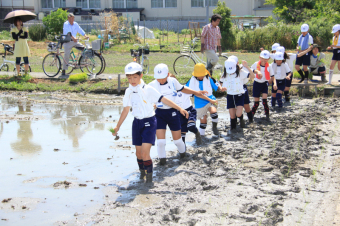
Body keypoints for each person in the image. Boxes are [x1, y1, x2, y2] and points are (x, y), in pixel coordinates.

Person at [111, 62, 188, 183]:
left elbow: (164, 100)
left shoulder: (148, 89)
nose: (132, 80)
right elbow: (126, 110)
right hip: (136, 123)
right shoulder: (128, 92)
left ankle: (149, 179)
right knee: (138, 154)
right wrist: (117, 126)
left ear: (141, 76)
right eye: (129, 78)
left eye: (135, 77)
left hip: (149, 122)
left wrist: (180, 108)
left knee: (145, 153)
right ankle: (142, 174)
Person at [149, 64, 208, 166]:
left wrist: (197, 92)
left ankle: (183, 155)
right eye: (158, 79)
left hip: (173, 113)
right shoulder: (152, 85)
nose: (161, 81)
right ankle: (162, 161)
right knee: (161, 142)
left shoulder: (173, 82)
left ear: (167, 74)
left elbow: (183, 89)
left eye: (163, 78)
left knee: (178, 141)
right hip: (159, 114)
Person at [169, 74, 218, 145]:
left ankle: (197, 133)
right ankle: (183, 151)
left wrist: (210, 100)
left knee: (191, 126)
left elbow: (197, 94)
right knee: (182, 133)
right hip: (178, 113)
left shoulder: (184, 89)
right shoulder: (168, 93)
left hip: (189, 111)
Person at [187, 63, 226, 136]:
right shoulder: (191, 81)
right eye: (198, 75)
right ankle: (201, 136)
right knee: (203, 122)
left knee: (214, 112)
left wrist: (221, 88)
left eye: (202, 74)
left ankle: (214, 127)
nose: (200, 76)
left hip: (210, 99)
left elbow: (216, 84)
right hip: (199, 103)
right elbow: (187, 90)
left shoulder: (208, 78)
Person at [220, 59, 255, 131]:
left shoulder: (241, 72)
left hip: (239, 95)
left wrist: (247, 67)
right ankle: (233, 130)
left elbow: (253, 76)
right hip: (230, 96)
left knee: (238, 114)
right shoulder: (224, 74)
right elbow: (219, 83)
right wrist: (221, 88)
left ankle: (242, 120)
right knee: (232, 116)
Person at [228, 55, 254, 123]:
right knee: (233, 108)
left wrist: (247, 67)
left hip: (242, 89)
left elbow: (252, 75)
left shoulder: (241, 70)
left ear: (237, 63)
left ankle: (251, 120)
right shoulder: (228, 70)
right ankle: (236, 124)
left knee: (246, 106)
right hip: (232, 91)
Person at [251, 50, 271, 120]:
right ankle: (251, 116)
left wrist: (273, 82)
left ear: (268, 59)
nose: (264, 60)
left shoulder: (269, 66)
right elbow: (250, 69)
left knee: (264, 101)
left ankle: (267, 116)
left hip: (264, 84)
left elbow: (272, 75)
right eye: (262, 58)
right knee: (256, 103)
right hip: (256, 84)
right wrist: (256, 71)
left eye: (266, 59)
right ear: (260, 57)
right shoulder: (256, 64)